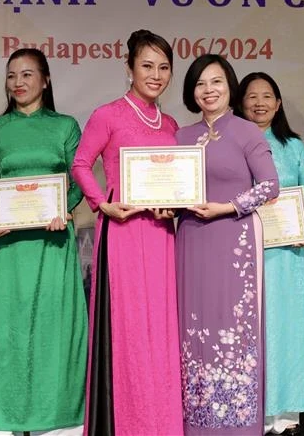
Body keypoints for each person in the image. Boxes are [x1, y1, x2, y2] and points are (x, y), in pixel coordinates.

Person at [0, 48, 87, 435]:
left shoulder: (66, 126)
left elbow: (77, 178)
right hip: (11, 248)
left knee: (55, 329)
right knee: (6, 331)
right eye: (12, 75)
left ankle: (57, 420)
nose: (18, 82)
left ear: (46, 80)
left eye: (27, 74)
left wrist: (63, 208)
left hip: (53, 244)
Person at [71, 30, 183, 436]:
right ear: (129, 68)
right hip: (122, 231)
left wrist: (175, 204)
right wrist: (102, 203)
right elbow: (81, 164)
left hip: (161, 233)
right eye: (147, 66)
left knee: (162, 329)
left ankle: (163, 422)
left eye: (164, 67)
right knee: (131, 328)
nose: (155, 75)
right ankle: (131, 423)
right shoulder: (108, 114)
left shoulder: (170, 122)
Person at [176, 54, 280, 436]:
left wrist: (227, 207)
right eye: (201, 83)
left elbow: (271, 186)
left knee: (233, 326)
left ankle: (237, 424)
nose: (209, 90)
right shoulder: (180, 136)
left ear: (229, 86)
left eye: (216, 82)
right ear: (192, 90)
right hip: (190, 237)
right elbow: (170, 188)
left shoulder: (247, 131)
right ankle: (197, 421)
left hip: (234, 237)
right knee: (193, 324)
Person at [237, 72, 304, 435]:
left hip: (286, 251)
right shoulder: (232, 142)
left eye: (267, 96)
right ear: (240, 103)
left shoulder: (293, 146)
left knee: (285, 327)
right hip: (244, 251)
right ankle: (251, 409)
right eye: (252, 96)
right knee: (249, 329)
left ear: (278, 103)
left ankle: (285, 412)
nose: (259, 103)